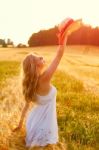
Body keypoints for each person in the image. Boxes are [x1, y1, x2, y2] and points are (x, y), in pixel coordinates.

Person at [12, 18, 78, 148]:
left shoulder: (30, 84)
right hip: (44, 124)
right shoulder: (45, 78)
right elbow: (59, 55)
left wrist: (20, 125)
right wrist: (63, 37)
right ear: (36, 66)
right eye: (40, 58)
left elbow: (26, 107)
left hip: (34, 123)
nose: (43, 58)